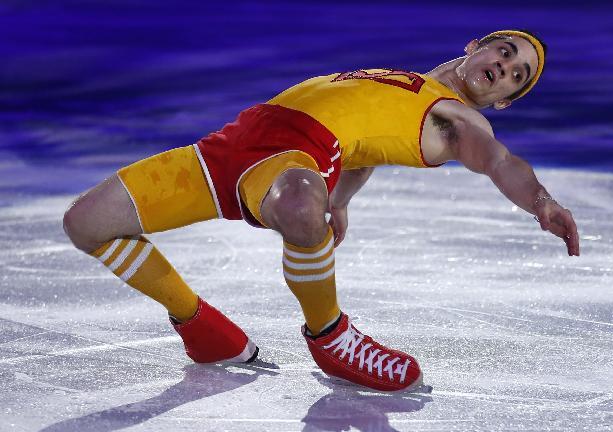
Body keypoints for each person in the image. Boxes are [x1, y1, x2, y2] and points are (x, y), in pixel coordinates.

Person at [62, 30, 580, 393]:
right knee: (85, 224)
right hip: (225, 148)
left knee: (299, 203)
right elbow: (368, 143)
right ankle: (204, 329)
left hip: (290, 163)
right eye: (506, 52)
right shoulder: (409, 82)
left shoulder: (460, 121)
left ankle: (331, 335)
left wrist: (540, 201)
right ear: (477, 46)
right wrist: (342, 199)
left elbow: (500, 163)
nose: (505, 67)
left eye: (517, 76)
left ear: (506, 100)